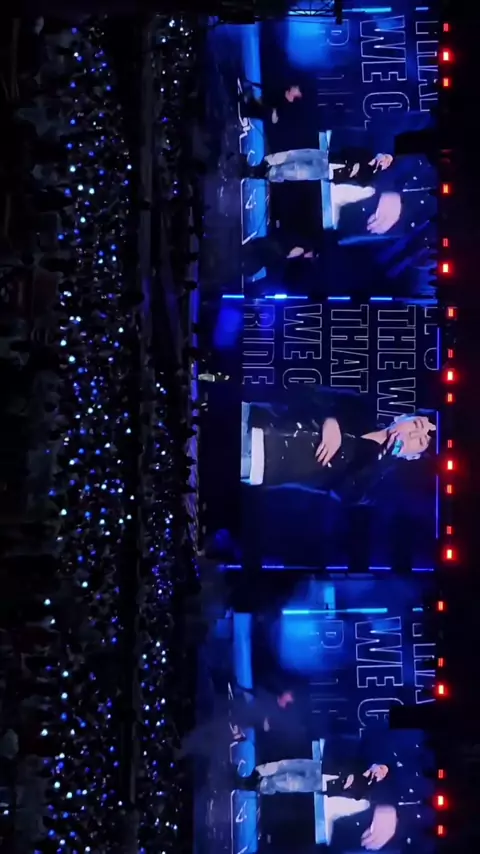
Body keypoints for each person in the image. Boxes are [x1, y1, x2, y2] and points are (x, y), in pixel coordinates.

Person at [241, 389, 436, 504]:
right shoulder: (360, 408)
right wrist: (330, 419)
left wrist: (383, 458)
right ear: (402, 417)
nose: (413, 434)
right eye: (416, 424)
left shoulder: (374, 481)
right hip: (257, 418)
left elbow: (347, 492)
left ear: (413, 456)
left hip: (261, 462)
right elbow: (307, 392)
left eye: (420, 441)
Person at [233, 754, 398, 849]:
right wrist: (367, 768)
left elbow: (353, 792)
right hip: (323, 767)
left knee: (288, 782)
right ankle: (256, 774)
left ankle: (253, 785)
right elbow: (350, 756)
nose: (379, 772)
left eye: (382, 773)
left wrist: (361, 780)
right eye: (381, 768)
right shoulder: (365, 762)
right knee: (288, 765)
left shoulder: (368, 789)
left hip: (324, 783)